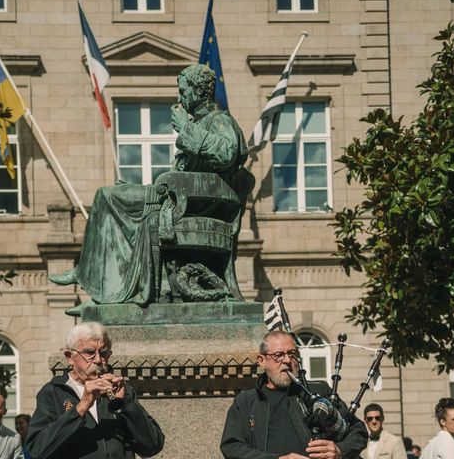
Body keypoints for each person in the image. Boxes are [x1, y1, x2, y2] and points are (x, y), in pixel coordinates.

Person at [49, 64, 249, 308]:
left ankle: (96, 283)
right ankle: (101, 292)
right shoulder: (204, 122)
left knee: (106, 196)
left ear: (199, 91)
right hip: (182, 202)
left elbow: (227, 153)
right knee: (113, 197)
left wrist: (186, 129)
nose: (180, 97)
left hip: (195, 208)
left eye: (183, 91)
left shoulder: (219, 120)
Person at [25, 322, 165, 459]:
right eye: (89, 352)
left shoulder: (120, 389)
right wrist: (81, 407)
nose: (98, 360)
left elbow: (153, 445)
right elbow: (37, 450)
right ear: (70, 357)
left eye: (104, 353)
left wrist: (127, 404)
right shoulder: (53, 392)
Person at [220, 330, 368, 459]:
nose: (287, 361)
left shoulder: (318, 391)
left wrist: (340, 450)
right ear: (262, 361)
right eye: (278, 355)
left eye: (292, 354)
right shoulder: (246, 402)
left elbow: (358, 431)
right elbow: (232, 448)